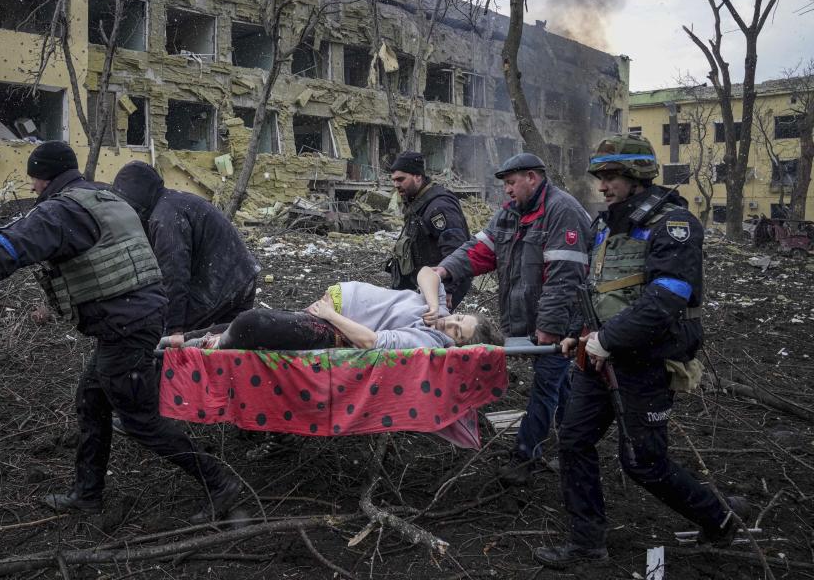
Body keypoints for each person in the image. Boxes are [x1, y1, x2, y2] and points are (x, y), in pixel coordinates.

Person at [0, 142, 240, 524]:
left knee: (141, 419)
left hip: (125, 325)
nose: (30, 187)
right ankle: (86, 494)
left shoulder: (61, 212)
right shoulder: (104, 196)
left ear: (45, 178)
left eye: (32, 179)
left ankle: (220, 482)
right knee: (91, 401)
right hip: (135, 317)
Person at [533, 135, 750, 568]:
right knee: (573, 441)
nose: (603, 185)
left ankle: (720, 520)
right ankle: (587, 546)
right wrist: (581, 333)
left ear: (636, 176)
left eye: (611, 176)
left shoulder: (673, 225)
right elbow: (598, 291)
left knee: (644, 464)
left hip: (644, 363)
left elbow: (666, 298)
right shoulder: (606, 225)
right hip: (598, 360)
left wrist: (607, 340)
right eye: (601, 176)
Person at [435, 152, 591, 484]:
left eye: (511, 183)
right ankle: (574, 443)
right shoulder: (510, 214)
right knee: (560, 383)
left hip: (562, 321)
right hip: (530, 320)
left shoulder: (562, 212)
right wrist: (444, 269)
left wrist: (548, 327)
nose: (506, 190)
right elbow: (480, 250)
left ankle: (525, 454)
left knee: (546, 385)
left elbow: (565, 277)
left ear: (532, 178)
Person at [167, 267, 501, 351]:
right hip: (333, 307)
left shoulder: (429, 343)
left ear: (457, 346)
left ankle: (199, 346)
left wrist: (330, 315)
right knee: (244, 323)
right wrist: (433, 304)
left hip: (334, 326)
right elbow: (428, 273)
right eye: (458, 318)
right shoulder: (437, 312)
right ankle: (175, 340)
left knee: (249, 323)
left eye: (458, 332)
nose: (450, 325)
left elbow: (371, 341)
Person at [112, 161, 259, 335]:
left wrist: (174, 328)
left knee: (162, 339)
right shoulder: (172, 202)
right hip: (241, 275)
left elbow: (174, 275)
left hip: (222, 283)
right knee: (224, 347)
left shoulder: (165, 217)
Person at [386, 150, 472, 309]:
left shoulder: (438, 206)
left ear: (418, 176)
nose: (396, 185)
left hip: (439, 286)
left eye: (401, 179)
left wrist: (447, 288)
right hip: (425, 284)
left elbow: (455, 249)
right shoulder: (418, 203)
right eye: (394, 180)